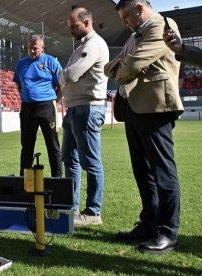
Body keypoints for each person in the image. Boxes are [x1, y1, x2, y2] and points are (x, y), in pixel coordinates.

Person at [104, 0, 183, 254]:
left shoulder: (161, 25)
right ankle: (149, 224)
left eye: (127, 17)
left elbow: (134, 64)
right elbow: (111, 66)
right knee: (143, 172)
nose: (125, 23)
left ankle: (169, 232)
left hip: (156, 107)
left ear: (140, 8)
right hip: (135, 107)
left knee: (162, 171)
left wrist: (123, 67)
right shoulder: (134, 35)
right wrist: (123, 67)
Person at [59, 8, 108, 226]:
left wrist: (62, 76)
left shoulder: (93, 45)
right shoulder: (82, 46)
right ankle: (72, 207)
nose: (70, 30)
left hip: (87, 108)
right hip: (75, 108)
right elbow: (68, 76)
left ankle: (93, 212)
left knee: (90, 162)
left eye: (73, 26)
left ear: (87, 22)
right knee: (69, 159)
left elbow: (69, 74)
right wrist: (64, 77)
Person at [13, 34, 62, 177]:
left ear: (42, 48)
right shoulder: (21, 64)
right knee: (26, 146)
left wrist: (52, 101)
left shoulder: (52, 62)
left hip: (47, 107)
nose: (32, 51)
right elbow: (19, 85)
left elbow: (61, 86)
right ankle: (24, 180)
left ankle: (57, 179)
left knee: (53, 146)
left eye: (35, 48)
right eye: (29, 48)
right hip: (27, 108)